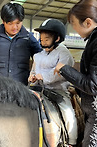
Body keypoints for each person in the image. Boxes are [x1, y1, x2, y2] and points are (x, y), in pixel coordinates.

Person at [28, 18, 77, 146]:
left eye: (46, 39)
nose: (42, 42)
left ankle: (71, 140)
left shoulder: (64, 53)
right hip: (38, 89)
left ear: (57, 39)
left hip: (58, 90)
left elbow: (60, 74)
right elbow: (33, 70)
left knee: (68, 113)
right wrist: (32, 77)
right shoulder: (38, 55)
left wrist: (42, 76)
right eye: (41, 39)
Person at [54, 0, 97, 146]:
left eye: (73, 23)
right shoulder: (92, 41)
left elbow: (93, 85)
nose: (73, 28)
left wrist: (65, 69)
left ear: (88, 22)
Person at [0, 2, 41, 85]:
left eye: (18, 23)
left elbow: (41, 58)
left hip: (20, 87)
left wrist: (35, 74)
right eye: (10, 23)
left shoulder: (28, 38)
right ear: (3, 21)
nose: (14, 27)